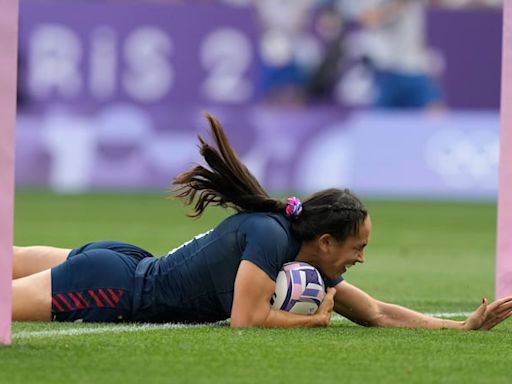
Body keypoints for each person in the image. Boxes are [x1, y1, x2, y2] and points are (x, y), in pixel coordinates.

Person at [12, 113, 512, 329]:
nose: (362, 256)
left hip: (128, 263)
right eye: (357, 246)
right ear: (324, 240)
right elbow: (245, 321)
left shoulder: (303, 253)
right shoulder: (269, 235)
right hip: (116, 291)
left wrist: (458, 328)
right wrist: (313, 319)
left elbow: (377, 312)